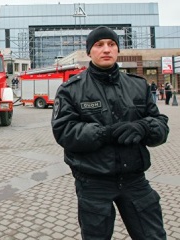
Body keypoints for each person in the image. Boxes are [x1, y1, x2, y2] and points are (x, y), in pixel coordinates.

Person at [51, 26, 169, 239]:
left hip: (135, 179)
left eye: (111, 44)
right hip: (93, 182)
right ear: (89, 52)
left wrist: (144, 127)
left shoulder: (138, 85)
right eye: (99, 45)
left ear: (117, 50)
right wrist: (104, 133)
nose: (106, 49)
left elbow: (161, 125)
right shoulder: (71, 89)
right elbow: (64, 131)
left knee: (153, 235)